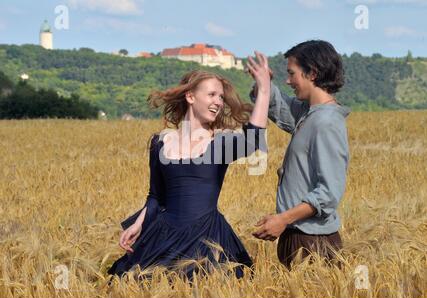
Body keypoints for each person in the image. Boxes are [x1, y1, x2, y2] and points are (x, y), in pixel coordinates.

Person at [108, 52, 271, 279]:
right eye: (212, 94)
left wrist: (264, 90)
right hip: (163, 237)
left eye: (221, 97)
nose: (218, 102)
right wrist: (138, 224)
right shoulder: (160, 143)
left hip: (207, 240)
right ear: (190, 97)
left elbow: (254, 140)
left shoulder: (219, 142)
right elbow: (155, 195)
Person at [251, 40, 350, 269]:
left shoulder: (326, 122)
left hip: (312, 242)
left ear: (312, 73)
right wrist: (263, 84)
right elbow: (280, 108)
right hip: (298, 235)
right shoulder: (310, 114)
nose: (288, 81)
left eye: (292, 74)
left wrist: (282, 219)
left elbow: (329, 193)